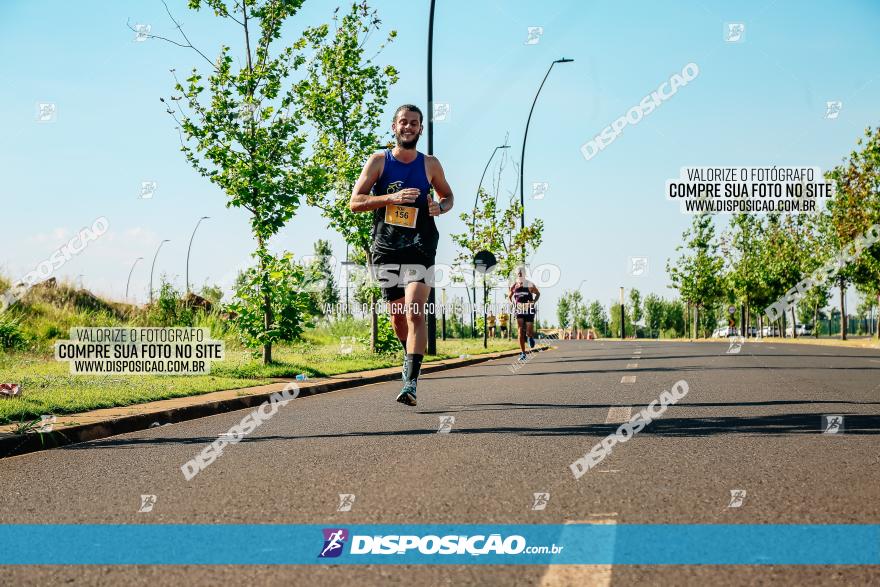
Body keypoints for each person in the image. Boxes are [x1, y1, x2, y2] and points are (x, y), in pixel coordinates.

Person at [350, 104, 454, 407]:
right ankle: (409, 356)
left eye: (414, 123)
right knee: (398, 318)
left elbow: (448, 197)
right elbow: (355, 202)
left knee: (414, 311)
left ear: (421, 129)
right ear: (394, 127)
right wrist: (390, 198)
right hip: (386, 246)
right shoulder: (379, 161)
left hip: (421, 243)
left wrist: (440, 207)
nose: (408, 127)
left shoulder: (430, 164)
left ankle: (410, 382)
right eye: (403, 122)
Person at [509, 268, 540, 361]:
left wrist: (533, 301)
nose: (520, 275)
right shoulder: (513, 285)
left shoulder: (530, 284)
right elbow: (509, 297)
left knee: (529, 332)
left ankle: (530, 337)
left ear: (525, 274)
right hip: (519, 309)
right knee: (520, 331)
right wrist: (513, 303)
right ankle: (523, 353)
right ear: (516, 274)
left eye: (521, 273)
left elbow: (538, 293)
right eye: (518, 273)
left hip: (529, 308)